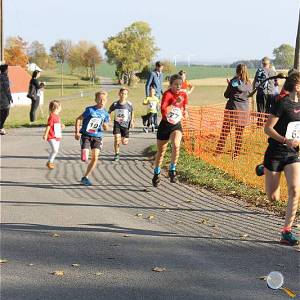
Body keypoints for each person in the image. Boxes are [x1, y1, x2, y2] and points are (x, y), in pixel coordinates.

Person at [263, 72, 300, 246]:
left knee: (294, 189)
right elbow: (268, 129)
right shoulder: (282, 103)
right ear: (297, 86)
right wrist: (286, 140)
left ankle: (286, 231)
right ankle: (264, 167)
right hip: (276, 152)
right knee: (273, 198)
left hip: (293, 154)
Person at [152, 74, 188, 187]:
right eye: (176, 84)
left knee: (176, 145)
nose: (178, 86)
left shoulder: (183, 94)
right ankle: (156, 173)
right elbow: (163, 110)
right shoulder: (167, 94)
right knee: (161, 152)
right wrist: (174, 103)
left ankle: (172, 171)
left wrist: (185, 112)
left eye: (180, 84)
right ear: (171, 85)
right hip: (165, 125)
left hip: (176, 125)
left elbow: (185, 107)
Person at [215, 64, 252, 159]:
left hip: (232, 110)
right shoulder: (249, 83)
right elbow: (249, 95)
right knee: (239, 134)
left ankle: (218, 153)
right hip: (244, 111)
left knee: (224, 133)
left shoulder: (234, 81)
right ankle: (236, 155)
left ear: (237, 70)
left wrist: (229, 84)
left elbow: (226, 95)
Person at [75, 91, 110, 186]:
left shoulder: (105, 114)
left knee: (95, 158)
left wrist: (105, 126)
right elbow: (78, 119)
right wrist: (77, 132)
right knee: (84, 158)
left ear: (106, 101)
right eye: (100, 99)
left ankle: (85, 177)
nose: (102, 101)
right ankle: (84, 154)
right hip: (86, 135)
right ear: (96, 100)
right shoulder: (90, 110)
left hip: (97, 137)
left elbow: (107, 126)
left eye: (104, 100)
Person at [108, 87, 134, 161]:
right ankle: (117, 154)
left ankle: (124, 138)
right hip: (117, 124)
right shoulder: (115, 104)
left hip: (125, 124)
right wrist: (108, 117)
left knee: (124, 142)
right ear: (119, 94)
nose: (123, 95)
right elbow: (109, 111)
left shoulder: (129, 104)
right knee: (117, 139)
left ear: (127, 95)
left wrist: (132, 121)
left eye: (125, 94)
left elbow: (132, 112)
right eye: (122, 93)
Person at [253, 57, 276, 125]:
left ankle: (260, 124)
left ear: (262, 63)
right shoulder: (273, 71)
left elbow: (255, 81)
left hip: (261, 93)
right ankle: (267, 123)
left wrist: (252, 91)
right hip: (271, 93)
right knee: (268, 109)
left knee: (260, 109)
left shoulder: (259, 71)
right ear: (269, 64)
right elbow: (276, 82)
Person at [43, 100, 63, 169]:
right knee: (55, 150)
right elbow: (48, 126)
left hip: (57, 136)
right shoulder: (52, 116)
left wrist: (61, 125)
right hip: (51, 136)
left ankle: (50, 162)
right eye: (60, 106)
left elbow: (57, 125)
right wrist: (45, 134)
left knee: (56, 150)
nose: (61, 108)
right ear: (56, 108)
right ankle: (50, 162)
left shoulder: (57, 116)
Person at [145, 61, 164, 128]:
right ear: (156, 67)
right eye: (160, 67)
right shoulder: (152, 74)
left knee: (156, 109)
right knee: (153, 109)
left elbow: (160, 85)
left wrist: (163, 94)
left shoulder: (161, 74)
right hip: (152, 95)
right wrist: (147, 96)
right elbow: (147, 85)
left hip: (158, 95)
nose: (161, 68)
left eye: (162, 67)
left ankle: (153, 123)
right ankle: (153, 123)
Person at [0, 64, 13, 135]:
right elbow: (7, 89)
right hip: (4, 98)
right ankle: (1, 127)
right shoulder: (5, 77)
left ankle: (1, 128)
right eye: (7, 69)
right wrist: (10, 98)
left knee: (2, 113)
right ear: (5, 70)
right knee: (6, 112)